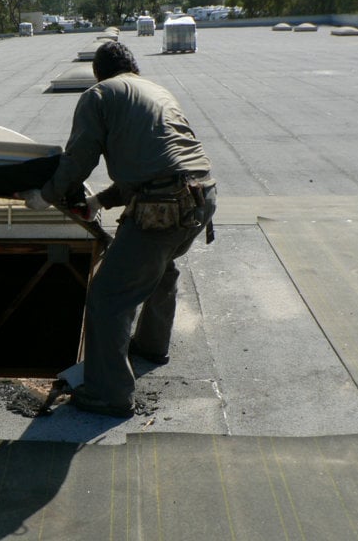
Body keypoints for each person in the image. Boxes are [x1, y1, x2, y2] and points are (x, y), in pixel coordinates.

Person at [20, 40, 216, 418]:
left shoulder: (99, 95)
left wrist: (46, 195)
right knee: (161, 267)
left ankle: (108, 394)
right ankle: (151, 346)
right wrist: (98, 202)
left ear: (98, 73)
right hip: (203, 197)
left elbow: (80, 157)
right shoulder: (156, 91)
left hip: (164, 206)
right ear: (133, 67)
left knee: (109, 297)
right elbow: (153, 161)